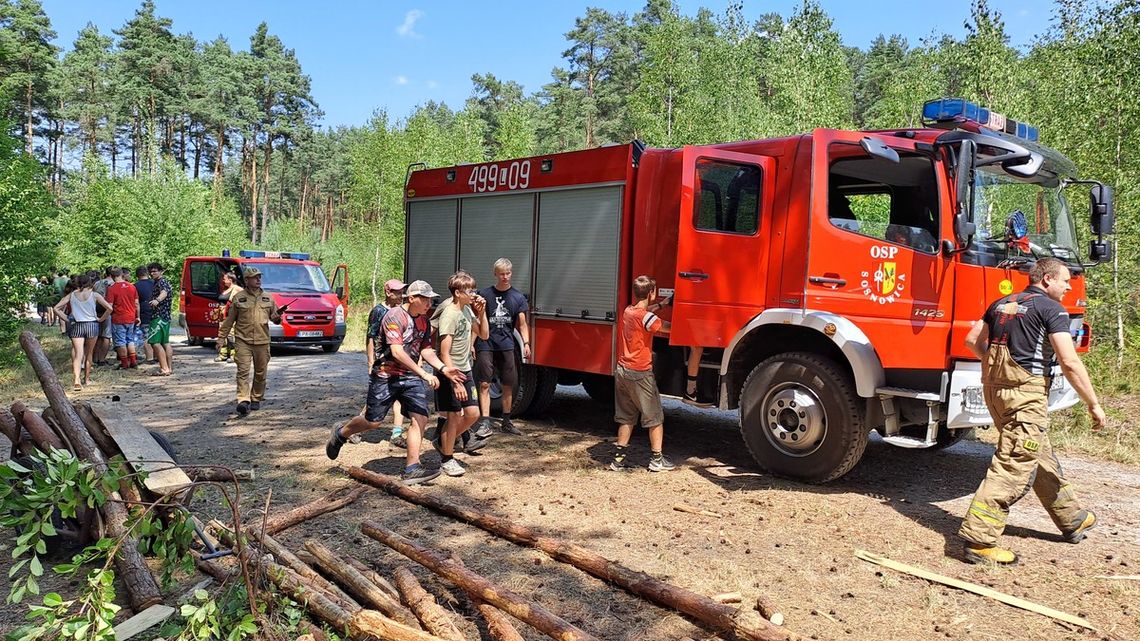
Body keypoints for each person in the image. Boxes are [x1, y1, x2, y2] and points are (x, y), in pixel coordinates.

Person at [957, 257, 1105, 565]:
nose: (1068, 287)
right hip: (1026, 397)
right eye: (1065, 281)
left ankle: (1072, 517)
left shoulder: (1001, 303)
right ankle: (980, 540)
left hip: (996, 393)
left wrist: (993, 369)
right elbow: (1070, 362)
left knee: (1038, 453)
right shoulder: (1051, 310)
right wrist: (1093, 403)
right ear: (1048, 279)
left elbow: (972, 340)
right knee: (1015, 462)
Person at [325, 280, 463, 485]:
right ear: (412, 298)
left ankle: (412, 468)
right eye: (425, 299)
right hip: (385, 375)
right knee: (373, 422)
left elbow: (425, 349)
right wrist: (424, 374)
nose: (429, 304)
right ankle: (341, 433)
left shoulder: (424, 321)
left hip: (409, 376)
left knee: (421, 418)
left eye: (431, 300)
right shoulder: (394, 316)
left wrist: (443, 368)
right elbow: (397, 352)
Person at [609, 275, 676, 472]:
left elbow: (646, 313)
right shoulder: (647, 318)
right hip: (640, 373)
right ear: (650, 293)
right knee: (654, 417)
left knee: (626, 417)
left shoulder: (628, 312)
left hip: (623, 371)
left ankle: (618, 460)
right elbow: (665, 327)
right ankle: (657, 459)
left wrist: (663, 304)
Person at [430, 271, 490, 477]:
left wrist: (482, 313)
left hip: (465, 369)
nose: (474, 293)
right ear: (457, 292)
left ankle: (443, 440)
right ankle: (447, 459)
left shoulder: (467, 311)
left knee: (473, 414)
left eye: (474, 289)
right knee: (454, 416)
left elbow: (484, 334)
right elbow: (443, 352)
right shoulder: (450, 314)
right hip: (450, 372)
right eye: (469, 290)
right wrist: (453, 380)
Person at [474, 258, 531, 436]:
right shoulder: (485, 294)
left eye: (507, 273)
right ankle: (485, 422)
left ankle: (507, 421)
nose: (505, 277)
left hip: (507, 345)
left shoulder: (517, 297)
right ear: (495, 274)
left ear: (511, 273)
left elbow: (522, 324)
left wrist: (526, 343)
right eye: (501, 274)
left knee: (508, 383)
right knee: (484, 383)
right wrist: (471, 343)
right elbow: (476, 320)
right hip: (486, 344)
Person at [218, 266, 283, 416]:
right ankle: (243, 400)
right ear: (247, 280)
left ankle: (256, 398)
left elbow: (276, 318)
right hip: (243, 341)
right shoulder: (238, 297)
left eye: (259, 277)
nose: (258, 280)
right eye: (255, 277)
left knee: (261, 372)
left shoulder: (268, 297)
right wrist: (221, 338)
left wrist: (277, 317)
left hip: (262, 341)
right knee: (242, 371)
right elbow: (229, 320)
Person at [366, 279, 408, 446]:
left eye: (402, 292)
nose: (400, 295)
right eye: (397, 292)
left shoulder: (402, 311)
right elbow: (371, 336)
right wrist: (370, 361)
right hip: (382, 361)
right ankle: (353, 428)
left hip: (398, 360)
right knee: (376, 398)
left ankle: (396, 433)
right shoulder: (378, 311)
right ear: (388, 292)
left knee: (399, 396)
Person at [53, 274, 112, 391]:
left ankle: (76, 380)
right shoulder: (95, 295)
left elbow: (56, 308)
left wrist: (66, 318)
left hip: (77, 324)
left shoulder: (72, 295)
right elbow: (109, 308)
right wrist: (101, 319)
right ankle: (87, 379)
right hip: (92, 324)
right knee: (89, 353)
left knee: (78, 354)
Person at [104, 267, 141, 370]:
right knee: (130, 340)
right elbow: (136, 303)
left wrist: (103, 317)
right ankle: (133, 361)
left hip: (118, 318)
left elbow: (109, 306)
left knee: (120, 341)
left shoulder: (112, 289)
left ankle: (124, 363)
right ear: (122, 274)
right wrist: (138, 316)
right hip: (131, 317)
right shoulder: (132, 287)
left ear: (111, 276)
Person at [146, 262, 174, 376]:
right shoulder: (161, 282)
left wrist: (157, 300)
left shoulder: (162, 282)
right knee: (165, 342)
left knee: (155, 342)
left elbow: (164, 293)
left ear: (161, 271)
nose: (152, 273)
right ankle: (169, 368)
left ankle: (164, 368)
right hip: (165, 317)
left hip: (158, 316)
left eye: (155, 271)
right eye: (151, 271)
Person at [213, 271, 243, 362]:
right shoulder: (226, 289)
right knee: (222, 335)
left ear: (230, 280)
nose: (223, 280)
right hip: (222, 316)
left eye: (225, 279)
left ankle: (234, 355)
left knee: (231, 335)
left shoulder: (237, 289)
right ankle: (223, 354)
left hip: (231, 316)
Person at [92, 267, 115, 366]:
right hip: (107, 311)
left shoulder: (97, 283)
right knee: (106, 336)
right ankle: (102, 359)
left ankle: (94, 358)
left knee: (97, 336)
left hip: (96, 311)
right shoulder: (113, 283)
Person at [134, 266, 155, 363]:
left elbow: (135, 302)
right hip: (155, 311)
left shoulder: (135, 286)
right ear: (147, 273)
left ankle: (150, 358)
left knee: (146, 336)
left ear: (137, 275)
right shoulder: (155, 283)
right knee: (156, 334)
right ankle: (158, 355)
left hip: (143, 312)